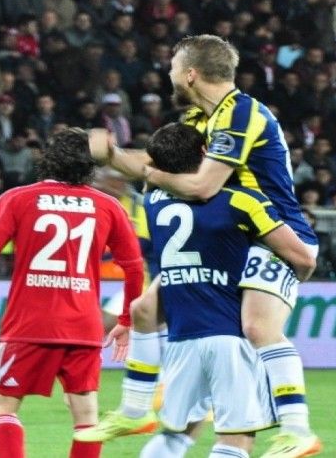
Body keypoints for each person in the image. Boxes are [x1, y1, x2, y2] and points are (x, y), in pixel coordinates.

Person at [82, 34, 321, 458]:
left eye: (174, 67)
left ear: (190, 74)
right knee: (143, 309)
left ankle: (298, 430)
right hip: (231, 235)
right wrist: (111, 153)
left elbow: (202, 185)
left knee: (257, 327)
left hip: (275, 234)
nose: (170, 74)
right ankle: (135, 411)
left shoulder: (242, 113)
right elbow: (154, 162)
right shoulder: (199, 118)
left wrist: (149, 177)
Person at [0, 128, 145, 458]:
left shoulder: (17, 198)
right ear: (89, 165)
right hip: (83, 326)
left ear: (48, 158)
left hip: (28, 324)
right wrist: (126, 320)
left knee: (4, 408)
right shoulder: (108, 205)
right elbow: (134, 268)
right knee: (87, 418)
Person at [132, 123, 316, 458]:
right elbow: (302, 258)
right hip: (229, 334)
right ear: (206, 153)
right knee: (235, 440)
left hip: (181, 340)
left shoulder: (153, 201)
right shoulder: (241, 201)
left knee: (176, 435)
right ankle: (296, 426)